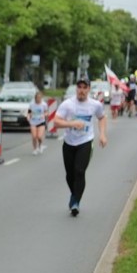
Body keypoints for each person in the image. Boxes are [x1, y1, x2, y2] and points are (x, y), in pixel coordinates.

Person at [52, 78, 107, 217]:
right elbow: (56, 122)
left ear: (89, 89)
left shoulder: (95, 104)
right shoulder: (68, 104)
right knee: (70, 175)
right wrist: (71, 124)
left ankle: (76, 202)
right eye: (79, 87)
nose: (81, 90)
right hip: (69, 142)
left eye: (84, 87)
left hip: (85, 141)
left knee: (79, 171)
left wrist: (102, 135)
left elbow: (102, 117)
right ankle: (74, 194)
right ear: (76, 89)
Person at [27, 90, 48, 155]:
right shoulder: (32, 104)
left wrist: (43, 115)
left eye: (40, 98)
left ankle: (40, 145)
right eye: (37, 98)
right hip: (33, 122)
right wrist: (28, 117)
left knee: (39, 137)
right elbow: (29, 112)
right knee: (34, 136)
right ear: (35, 98)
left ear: (41, 98)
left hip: (41, 122)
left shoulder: (44, 104)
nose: (38, 99)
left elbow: (46, 112)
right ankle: (35, 149)